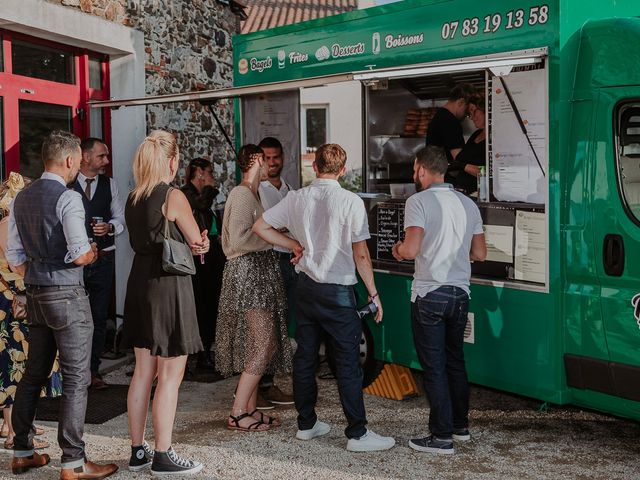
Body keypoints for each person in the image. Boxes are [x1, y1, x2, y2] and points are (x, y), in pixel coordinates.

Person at [253, 143, 395, 452]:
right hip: (338, 292)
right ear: (343, 171)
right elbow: (361, 255)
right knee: (346, 364)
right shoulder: (351, 201)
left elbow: (260, 226)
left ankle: (307, 424)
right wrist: (373, 293)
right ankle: (357, 434)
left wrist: (291, 244)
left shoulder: (296, 198)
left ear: (315, 167)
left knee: (305, 358)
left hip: (306, 288)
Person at [6, 130, 118, 478]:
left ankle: (23, 451)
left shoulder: (21, 198)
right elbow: (80, 252)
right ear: (70, 161)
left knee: (33, 373)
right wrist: (93, 251)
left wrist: (36, 272)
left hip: (36, 293)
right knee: (75, 378)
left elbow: (13, 255)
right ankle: (73, 462)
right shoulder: (68, 198)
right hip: (67, 295)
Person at [123, 130, 209, 475]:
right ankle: (163, 454)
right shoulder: (172, 196)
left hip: (139, 284)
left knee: (143, 372)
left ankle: (137, 451)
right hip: (168, 286)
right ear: (172, 161)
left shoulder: (133, 197)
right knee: (170, 375)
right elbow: (195, 242)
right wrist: (202, 243)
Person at [391, 145, 487, 455]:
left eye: (414, 169)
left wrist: (398, 250)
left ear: (420, 169)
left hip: (430, 294)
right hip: (460, 294)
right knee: (455, 361)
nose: (413, 174)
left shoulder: (418, 201)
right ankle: (460, 427)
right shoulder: (467, 204)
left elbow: (411, 249)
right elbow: (480, 254)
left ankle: (441, 436)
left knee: (434, 367)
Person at [215, 144, 296, 432]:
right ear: (257, 160)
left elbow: (253, 232)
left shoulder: (251, 194)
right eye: (266, 160)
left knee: (262, 343)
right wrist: (273, 240)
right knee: (263, 342)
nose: (270, 166)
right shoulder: (240, 194)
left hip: (257, 273)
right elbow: (237, 241)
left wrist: (280, 237)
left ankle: (248, 407)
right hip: (249, 274)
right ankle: (238, 412)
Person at [0, 173, 62, 452]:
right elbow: (15, 265)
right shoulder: (5, 226)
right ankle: (15, 432)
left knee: (20, 362)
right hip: (12, 303)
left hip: (17, 300)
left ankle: (11, 424)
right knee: (16, 364)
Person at [73, 138, 125, 390]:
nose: (106, 161)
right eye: (102, 156)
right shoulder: (68, 183)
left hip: (104, 259)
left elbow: (120, 217)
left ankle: (92, 372)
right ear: (84, 156)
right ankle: (73, 374)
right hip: (75, 262)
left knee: (98, 317)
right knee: (74, 318)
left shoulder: (109, 184)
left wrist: (111, 226)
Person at [256, 136, 295, 409]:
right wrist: (282, 230)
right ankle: (256, 388)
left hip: (289, 260)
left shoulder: (290, 190)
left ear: (283, 157)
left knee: (281, 324)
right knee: (265, 327)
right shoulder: (256, 190)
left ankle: (269, 385)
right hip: (268, 260)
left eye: (276, 157)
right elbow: (262, 229)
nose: (272, 162)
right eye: (267, 158)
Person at [180, 157, 225, 372]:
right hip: (197, 258)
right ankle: (201, 353)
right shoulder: (186, 194)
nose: (213, 178)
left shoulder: (205, 197)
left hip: (213, 255)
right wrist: (211, 190)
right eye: (210, 173)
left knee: (212, 303)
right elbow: (200, 209)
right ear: (199, 173)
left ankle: (207, 349)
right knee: (201, 304)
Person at [425, 83, 476, 167]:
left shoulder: (440, 115)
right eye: (467, 111)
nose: (466, 116)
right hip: (444, 175)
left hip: (435, 172)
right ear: (461, 102)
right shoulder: (450, 121)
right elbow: (459, 159)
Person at [447, 95, 486, 195]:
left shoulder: (495, 139)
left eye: (474, 111)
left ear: (485, 109)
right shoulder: (476, 134)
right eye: (469, 113)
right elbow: (461, 159)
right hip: (462, 191)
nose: (472, 117)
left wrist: (463, 166)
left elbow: (489, 172)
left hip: (478, 194)